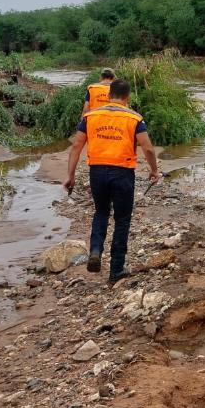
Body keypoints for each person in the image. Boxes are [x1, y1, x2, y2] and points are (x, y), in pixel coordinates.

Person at [63, 78, 159, 285]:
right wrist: (154, 170)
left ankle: (95, 250)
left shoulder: (90, 116)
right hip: (123, 173)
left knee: (101, 212)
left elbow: (77, 146)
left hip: (97, 171)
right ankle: (116, 269)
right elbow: (148, 148)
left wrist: (70, 175)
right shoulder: (135, 118)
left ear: (108, 95)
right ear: (128, 97)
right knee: (122, 219)